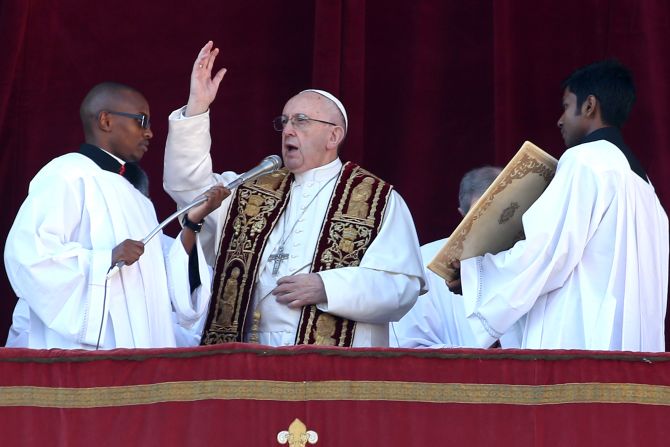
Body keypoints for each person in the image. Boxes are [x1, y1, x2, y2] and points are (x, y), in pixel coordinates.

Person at [164, 41, 426, 347]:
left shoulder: (377, 200)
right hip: (248, 360)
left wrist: (327, 287)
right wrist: (197, 107)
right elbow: (189, 187)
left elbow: (401, 286)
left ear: (334, 136)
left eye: (301, 121)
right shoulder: (251, 189)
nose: (288, 129)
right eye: (284, 121)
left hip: (332, 372)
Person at [448, 60, 669, 351]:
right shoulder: (646, 187)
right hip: (634, 350)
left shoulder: (585, 161)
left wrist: (478, 277)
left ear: (589, 106)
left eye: (566, 106)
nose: (560, 120)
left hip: (583, 340)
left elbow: (548, 250)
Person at [4, 82, 228, 349]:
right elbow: (29, 256)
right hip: (85, 355)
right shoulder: (67, 174)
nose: (150, 133)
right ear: (106, 120)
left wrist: (192, 222)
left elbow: (161, 273)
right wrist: (106, 260)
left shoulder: (135, 196)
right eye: (141, 121)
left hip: (141, 352)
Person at [390, 166, 524, 348]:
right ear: (463, 216)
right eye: (483, 217)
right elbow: (409, 346)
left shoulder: (531, 255)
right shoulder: (424, 262)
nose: (495, 228)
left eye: (503, 215)